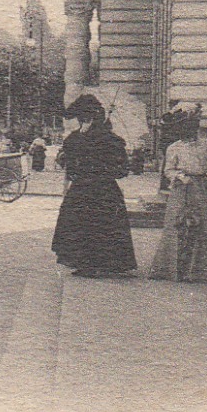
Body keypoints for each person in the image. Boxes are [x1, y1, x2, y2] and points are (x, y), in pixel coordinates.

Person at [51, 94, 136, 278]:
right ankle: (90, 263)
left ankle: (97, 264)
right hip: (92, 188)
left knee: (95, 223)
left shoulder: (107, 139)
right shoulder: (80, 139)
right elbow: (70, 163)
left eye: (85, 118)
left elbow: (120, 169)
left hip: (96, 187)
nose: (83, 121)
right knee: (87, 223)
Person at [148, 113, 207, 283]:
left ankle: (201, 270)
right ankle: (173, 270)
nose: (189, 132)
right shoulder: (174, 148)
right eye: (185, 129)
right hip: (181, 190)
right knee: (177, 226)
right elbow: (168, 170)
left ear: (196, 129)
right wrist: (180, 176)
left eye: (192, 128)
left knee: (204, 226)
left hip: (202, 190)